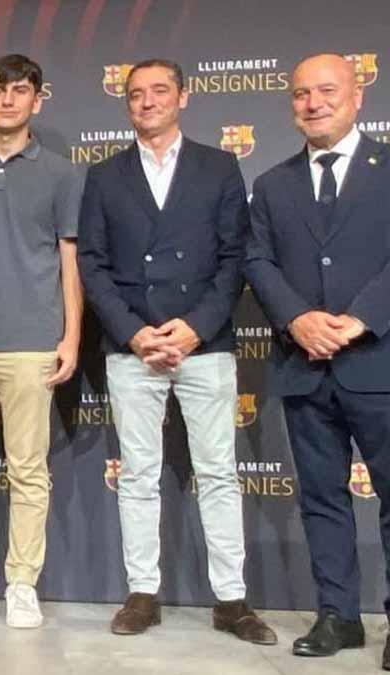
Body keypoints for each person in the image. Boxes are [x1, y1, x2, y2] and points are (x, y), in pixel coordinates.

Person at [77, 58, 275, 644]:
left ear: (183, 98)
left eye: (159, 91)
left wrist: (194, 327)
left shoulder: (218, 167)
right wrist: (134, 331)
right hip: (131, 345)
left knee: (218, 472)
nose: (147, 102)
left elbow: (233, 258)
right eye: (136, 94)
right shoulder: (105, 175)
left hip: (204, 344)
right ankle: (142, 593)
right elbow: (92, 262)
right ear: (127, 104)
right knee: (138, 475)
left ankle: (231, 601)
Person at [245, 53, 390, 665]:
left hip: (378, 361)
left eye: (326, 90)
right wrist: (298, 319)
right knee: (322, 500)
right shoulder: (272, 183)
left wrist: (360, 318)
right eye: (301, 94)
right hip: (304, 366)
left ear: (358, 95)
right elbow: (256, 259)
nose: (313, 103)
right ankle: (339, 616)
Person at [0, 54, 83, 628]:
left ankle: (22, 582)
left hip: (33, 340)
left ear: (38, 99)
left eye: (20, 90)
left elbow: (69, 260)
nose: (8, 100)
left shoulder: (62, 173)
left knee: (28, 468)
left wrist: (72, 335)